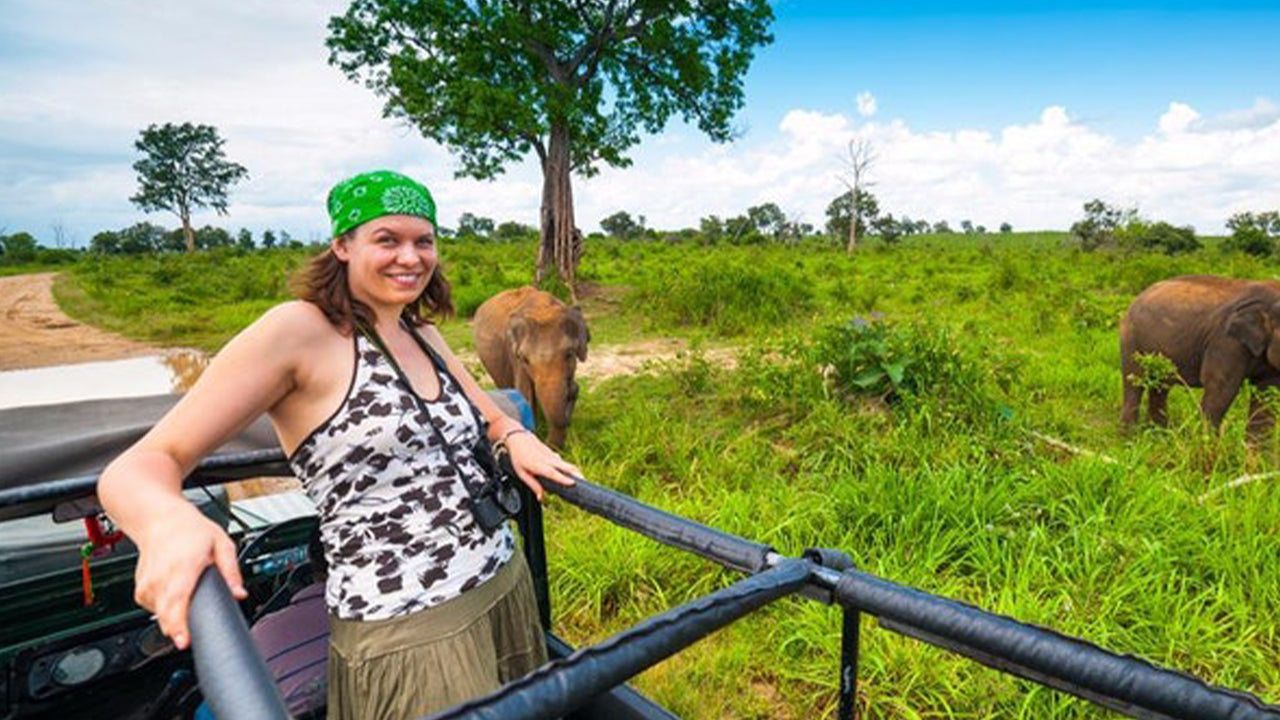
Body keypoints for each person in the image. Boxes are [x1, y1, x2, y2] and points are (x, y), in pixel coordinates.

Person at [98, 169, 580, 719]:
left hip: (501, 584)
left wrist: (517, 436)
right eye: (387, 239)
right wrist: (167, 525)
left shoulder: (419, 331)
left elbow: (488, 414)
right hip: (410, 626)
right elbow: (139, 467)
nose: (411, 257)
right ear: (342, 244)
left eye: (424, 241)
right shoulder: (297, 331)